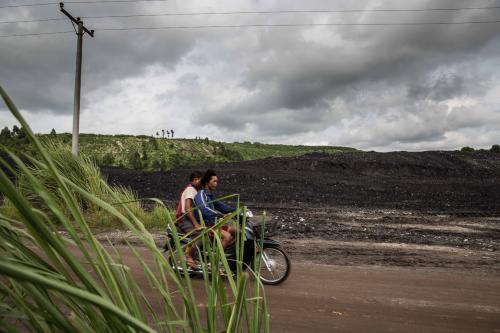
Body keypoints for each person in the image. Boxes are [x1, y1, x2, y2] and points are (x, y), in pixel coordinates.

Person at [194, 169, 235, 249]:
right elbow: (204, 208)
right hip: (206, 226)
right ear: (207, 182)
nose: (216, 184)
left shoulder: (210, 196)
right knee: (228, 237)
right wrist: (222, 215)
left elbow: (222, 206)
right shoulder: (201, 194)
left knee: (237, 232)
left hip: (214, 225)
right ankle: (217, 259)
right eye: (214, 181)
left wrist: (237, 210)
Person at [175, 170, 203, 269]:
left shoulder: (194, 190)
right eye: (202, 181)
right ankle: (189, 256)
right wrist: (196, 224)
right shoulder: (191, 190)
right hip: (185, 219)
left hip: (188, 218)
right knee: (200, 235)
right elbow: (188, 208)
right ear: (195, 180)